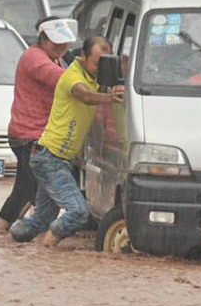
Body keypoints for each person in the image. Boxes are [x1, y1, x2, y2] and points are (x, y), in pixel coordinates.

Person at [10, 35, 124, 246]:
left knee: (39, 220)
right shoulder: (73, 76)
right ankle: (46, 251)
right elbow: (85, 96)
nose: (101, 69)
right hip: (49, 158)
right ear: (82, 57)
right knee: (79, 212)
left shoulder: (94, 79)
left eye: (106, 64)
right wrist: (111, 97)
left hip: (54, 158)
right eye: (98, 63)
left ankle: (8, 242)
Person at [0, 17, 76, 232]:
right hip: (28, 135)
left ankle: (10, 231)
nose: (61, 48)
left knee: (30, 190)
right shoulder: (35, 58)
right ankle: (3, 232)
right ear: (43, 40)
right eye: (56, 43)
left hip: (37, 133)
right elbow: (64, 80)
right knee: (26, 190)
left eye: (65, 43)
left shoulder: (55, 57)